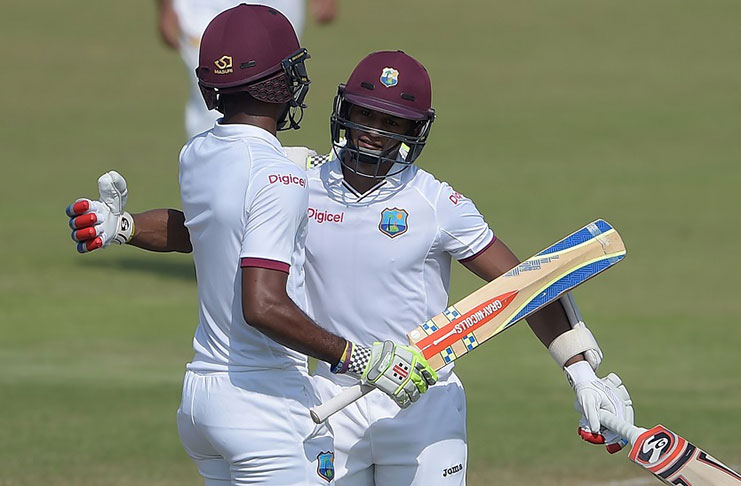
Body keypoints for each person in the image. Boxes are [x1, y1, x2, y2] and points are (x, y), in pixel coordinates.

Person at [67, 50, 635, 484]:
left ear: (417, 132)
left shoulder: (438, 203)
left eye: (392, 122)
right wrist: (125, 227)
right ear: (343, 110)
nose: (372, 130)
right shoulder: (298, 178)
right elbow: (204, 230)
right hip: (327, 401)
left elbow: (525, 284)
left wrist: (582, 373)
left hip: (423, 400)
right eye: (364, 114)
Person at [68, 6, 438, 485]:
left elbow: (203, 231)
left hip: (202, 401)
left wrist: (124, 226)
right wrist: (359, 359)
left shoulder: (198, 151)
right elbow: (262, 305)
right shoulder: (279, 173)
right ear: (278, 84)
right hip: (264, 406)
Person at [156, 0, 338, 137]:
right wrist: (166, 7)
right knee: (214, 92)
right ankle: (212, 173)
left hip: (277, 3)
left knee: (273, 86)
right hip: (206, 5)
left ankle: (263, 174)